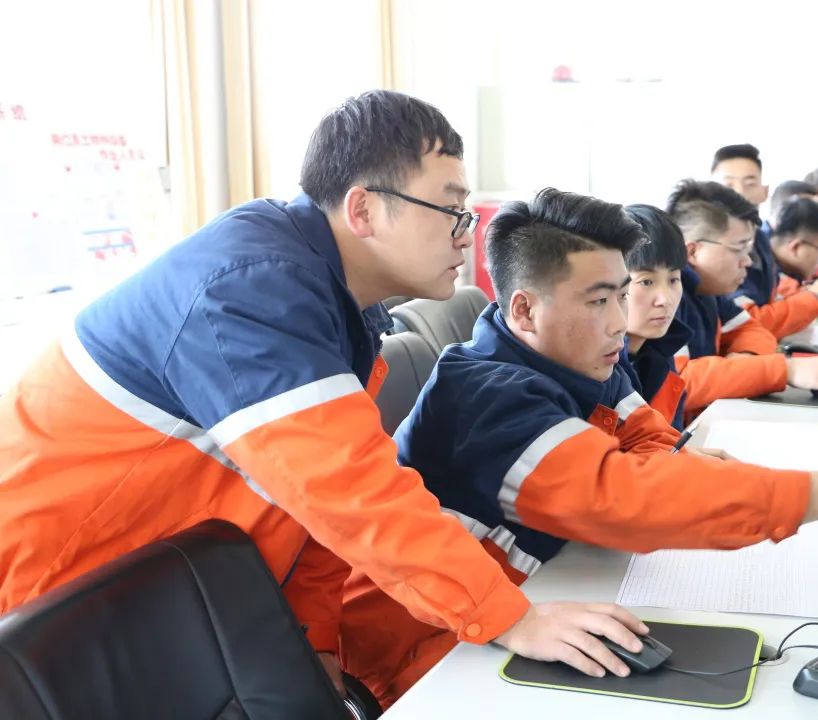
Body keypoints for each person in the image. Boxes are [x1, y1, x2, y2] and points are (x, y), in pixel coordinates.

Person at [0, 91, 647, 703]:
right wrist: (512, 618)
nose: (465, 234)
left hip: (158, 599)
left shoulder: (334, 306)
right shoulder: (250, 290)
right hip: (51, 607)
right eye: (451, 209)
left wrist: (314, 644)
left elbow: (305, 513)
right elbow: (350, 491)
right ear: (363, 210)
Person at [343, 187, 818, 704]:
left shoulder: (577, 355)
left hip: (525, 602)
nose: (622, 320)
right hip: (427, 652)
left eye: (623, 293)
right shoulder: (489, 396)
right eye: (600, 300)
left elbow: (648, 437)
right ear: (526, 310)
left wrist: (695, 472)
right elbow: (621, 496)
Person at [664, 181, 818, 410]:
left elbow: (752, 329)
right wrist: (786, 370)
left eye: (748, 250)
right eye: (738, 249)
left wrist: (746, 361)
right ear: (693, 251)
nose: (747, 261)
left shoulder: (707, 288)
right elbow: (677, 384)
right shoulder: (664, 298)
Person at [621, 204, 693, 428]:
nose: (665, 299)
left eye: (673, 280)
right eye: (646, 282)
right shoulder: (596, 368)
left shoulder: (661, 350)